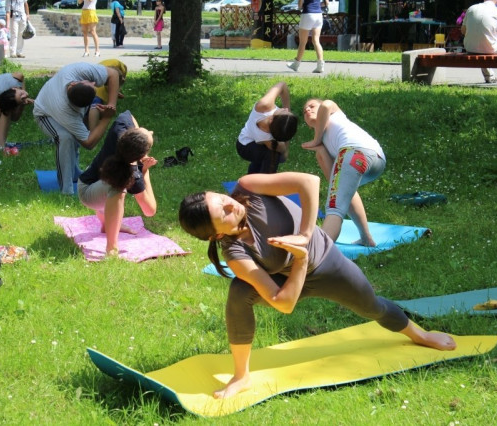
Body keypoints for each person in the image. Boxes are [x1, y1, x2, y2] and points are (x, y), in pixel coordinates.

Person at [178, 172, 457, 399]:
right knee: (239, 292)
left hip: (326, 263)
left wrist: (305, 235)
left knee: (372, 306)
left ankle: (420, 335)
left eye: (221, 199)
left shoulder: (248, 188)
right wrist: (300, 259)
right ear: (216, 235)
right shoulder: (235, 253)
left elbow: (308, 181)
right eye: (223, 214)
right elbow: (284, 304)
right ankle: (241, 376)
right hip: (288, 280)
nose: (231, 205)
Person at [301, 98, 385, 246]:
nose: (307, 110)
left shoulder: (334, 114)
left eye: (312, 106)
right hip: (376, 162)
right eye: (304, 111)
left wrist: (316, 139)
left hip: (355, 152)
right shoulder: (322, 149)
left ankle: (317, 251)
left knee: (334, 208)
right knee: (341, 192)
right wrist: (320, 147)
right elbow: (334, 182)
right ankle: (366, 238)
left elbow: (326, 105)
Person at [33, 62, 120, 195]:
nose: (93, 82)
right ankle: (66, 190)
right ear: (73, 84)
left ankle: (74, 173)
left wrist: (111, 103)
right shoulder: (66, 111)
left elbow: (113, 74)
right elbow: (89, 143)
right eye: (90, 83)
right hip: (44, 113)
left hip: (60, 105)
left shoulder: (80, 72)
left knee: (72, 136)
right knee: (65, 137)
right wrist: (107, 118)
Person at [78, 110, 157, 256]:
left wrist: (142, 145)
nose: (150, 131)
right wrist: (145, 172)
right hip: (87, 192)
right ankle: (112, 248)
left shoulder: (120, 134)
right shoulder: (132, 173)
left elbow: (127, 115)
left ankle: (106, 224)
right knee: (118, 187)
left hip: (94, 185)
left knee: (115, 184)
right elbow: (150, 210)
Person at [236, 81, 298, 174]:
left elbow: (282, 85)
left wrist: (284, 152)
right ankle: (263, 178)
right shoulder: (264, 106)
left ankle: (257, 177)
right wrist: (285, 152)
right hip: (244, 146)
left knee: (272, 154)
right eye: (286, 111)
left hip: (252, 143)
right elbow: (282, 85)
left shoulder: (265, 108)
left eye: (284, 111)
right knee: (273, 154)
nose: (285, 109)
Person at [461, 0, 497, 85]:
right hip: (488, 48)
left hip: (469, 47)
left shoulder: (471, 9)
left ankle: (489, 76)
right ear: (496, 1)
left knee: (482, 45)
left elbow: (463, 31)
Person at [0, 72, 34, 150]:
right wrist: (22, 101)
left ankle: (1, 144)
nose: (24, 95)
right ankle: (1, 146)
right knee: (5, 112)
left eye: (21, 94)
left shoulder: (17, 77)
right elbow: (8, 117)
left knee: (10, 112)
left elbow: (15, 118)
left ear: (14, 88)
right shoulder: (4, 94)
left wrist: (23, 101)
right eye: (22, 96)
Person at [286, 0, 327, 73]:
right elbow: (326, 3)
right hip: (318, 15)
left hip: (307, 14)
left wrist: (302, 6)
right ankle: (320, 65)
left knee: (303, 42)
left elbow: (300, 5)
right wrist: (317, 5)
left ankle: (296, 64)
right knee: (316, 41)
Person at [88, 59, 127, 130]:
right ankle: (92, 131)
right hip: (97, 86)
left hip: (90, 82)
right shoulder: (120, 70)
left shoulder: (111, 65)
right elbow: (113, 84)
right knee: (96, 105)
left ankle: (88, 126)